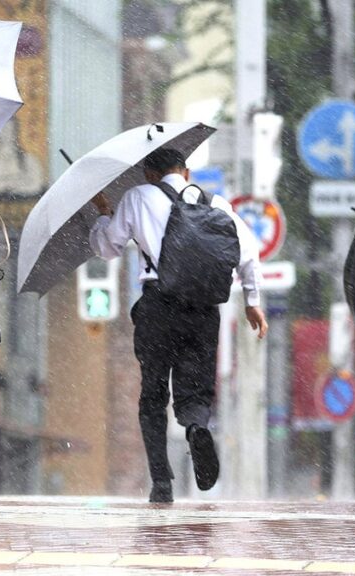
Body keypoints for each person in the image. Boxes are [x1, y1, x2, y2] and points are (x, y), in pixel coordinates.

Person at [88, 148, 268, 503]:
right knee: (196, 388)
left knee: (153, 393)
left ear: (150, 173)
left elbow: (108, 249)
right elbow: (247, 253)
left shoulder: (138, 197)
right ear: (185, 173)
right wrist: (252, 301)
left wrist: (104, 216)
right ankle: (197, 426)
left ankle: (161, 481)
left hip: (158, 305)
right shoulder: (215, 203)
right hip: (203, 309)